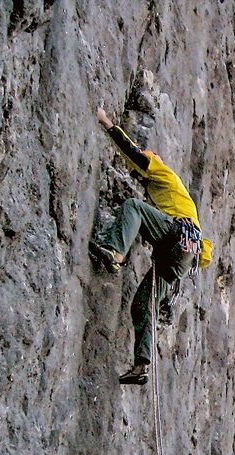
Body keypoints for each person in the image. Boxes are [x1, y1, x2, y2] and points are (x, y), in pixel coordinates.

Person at [89, 107, 213, 385]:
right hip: (185, 255)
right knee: (143, 305)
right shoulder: (172, 197)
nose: (150, 154)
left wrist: (105, 121)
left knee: (134, 207)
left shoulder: (165, 174)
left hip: (178, 237)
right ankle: (141, 365)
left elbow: (134, 154)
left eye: (153, 154)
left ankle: (114, 252)